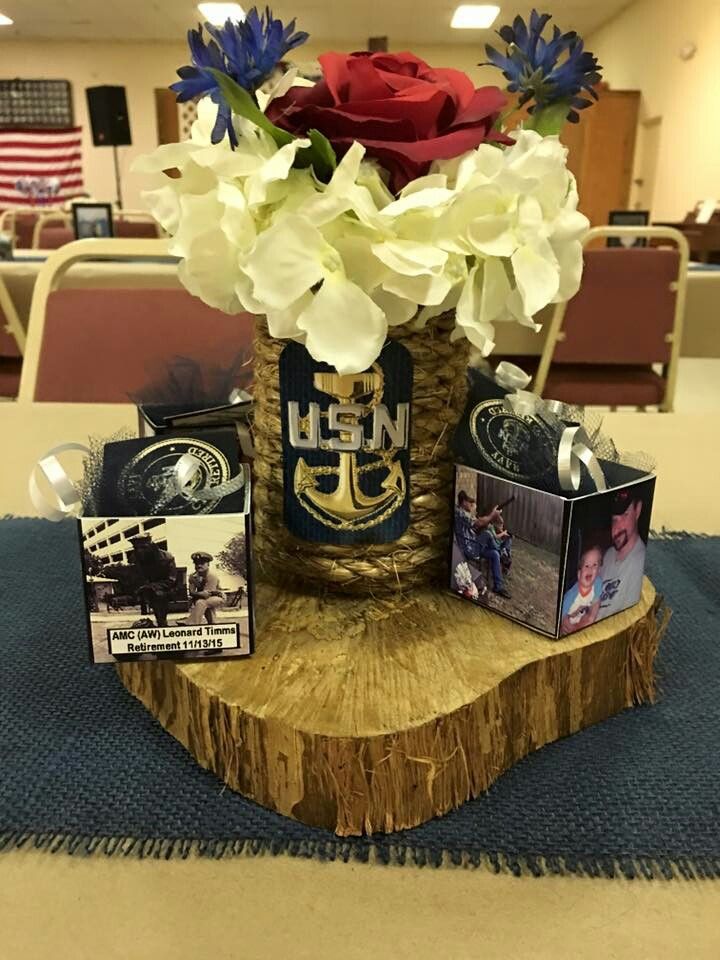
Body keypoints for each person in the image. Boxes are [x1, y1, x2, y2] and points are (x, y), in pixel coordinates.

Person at [454, 490, 511, 599]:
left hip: (474, 545)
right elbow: (479, 522)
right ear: (463, 502)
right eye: (469, 502)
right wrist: (492, 515)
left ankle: (498, 587)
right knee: (487, 534)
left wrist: (491, 516)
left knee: (494, 554)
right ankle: (502, 552)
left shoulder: (464, 514)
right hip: (469, 548)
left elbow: (478, 522)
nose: (471, 505)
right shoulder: (459, 512)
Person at [599, 489, 647, 618]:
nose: (617, 528)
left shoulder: (640, 563)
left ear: (638, 510)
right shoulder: (608, 555)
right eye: (614, 519)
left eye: (625, 515)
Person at [128, 535, 177, 628]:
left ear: (151, 545)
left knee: (158, 595)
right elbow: (134, 577)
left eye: (143, 547)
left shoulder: (167, 558)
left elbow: (171, 580)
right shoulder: (135, 558)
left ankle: (162, 623)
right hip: (145, 588)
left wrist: (151, 586)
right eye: (136, 548)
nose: (139, 550)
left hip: (165, 589)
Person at [561, 544, 603, 635]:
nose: (590, 569)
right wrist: (563, 620)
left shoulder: (597, 583)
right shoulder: (571, 595)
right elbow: (561, 611)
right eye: (586, 566)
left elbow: (596, 600)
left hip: (580, 623)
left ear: (599, 571)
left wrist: (591, 616)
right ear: (579, 574)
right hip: (567, 626)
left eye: (595, 565)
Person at [186, 551, 226, 626]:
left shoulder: (211, 576)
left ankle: (192, 624)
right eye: (197, 563)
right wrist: (197, 594)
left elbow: (207, 595)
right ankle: (214, 625)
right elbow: (191, 592)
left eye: (202, 563)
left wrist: (197, 594)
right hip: (203, 598)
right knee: (204, 605)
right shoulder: (193, 576)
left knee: (201, 603)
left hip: (217, 597)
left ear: (208, 564)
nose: (199, 565)